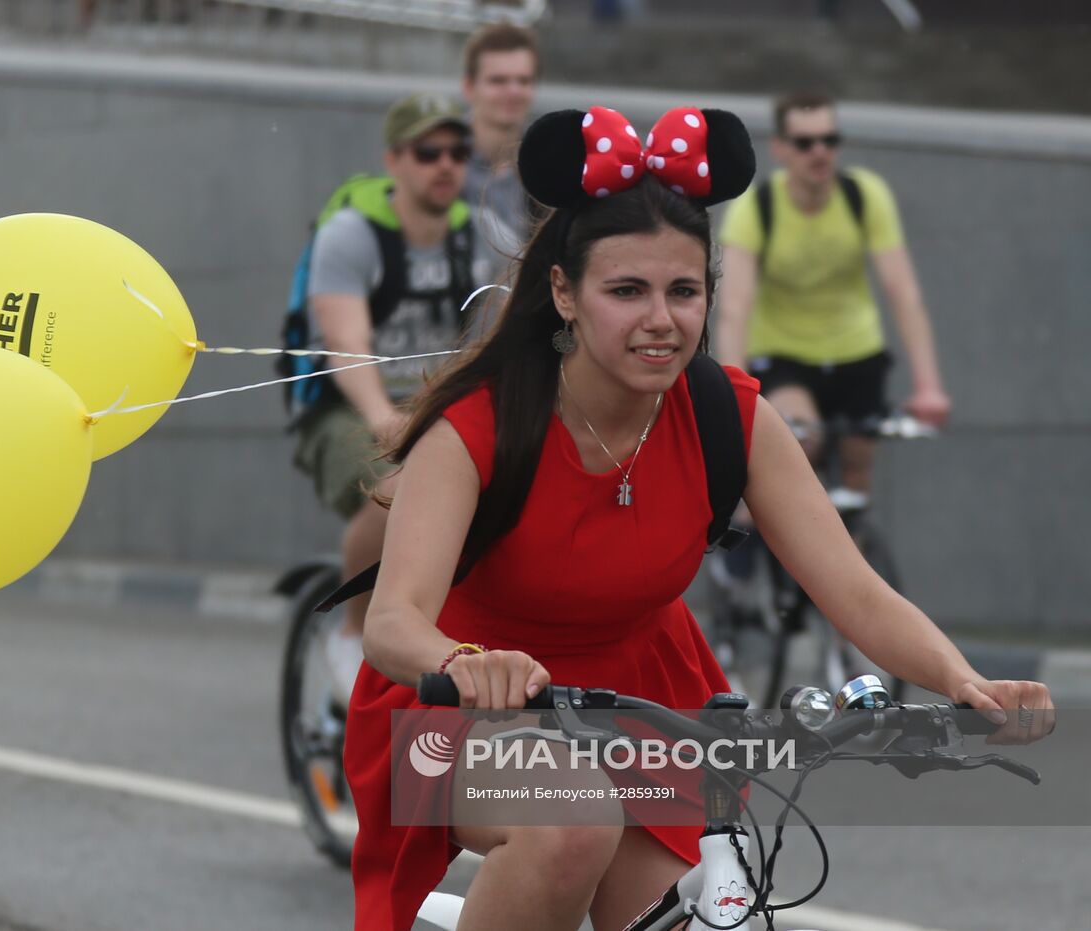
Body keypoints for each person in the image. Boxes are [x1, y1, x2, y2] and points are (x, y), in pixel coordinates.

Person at [341, 104, 1053, 931]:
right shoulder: (480, 426)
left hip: (646, 707)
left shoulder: (728, 416)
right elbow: (392, 623)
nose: (661, 319)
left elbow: (854, 591)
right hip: (464, 709)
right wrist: (468, 662)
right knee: (570, 822)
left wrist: (965, 681)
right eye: (627, 290)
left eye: (685, 290)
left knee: (704, 916)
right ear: (564, 293)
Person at [293, 92, 505, 699]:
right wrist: (385, 417)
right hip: (347, 408)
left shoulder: (477, 236)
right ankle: (352, 632)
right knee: (396, 487)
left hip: (443, 404)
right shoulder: (351, 236)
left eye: (458, 152)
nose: (446, 165)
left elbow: (499, 332)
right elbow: (346, 343)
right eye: (428, 151)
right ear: (394, 160)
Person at [715, 90, 950, 495]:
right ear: (781, 148)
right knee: (800, 446)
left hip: (856, 354)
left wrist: (929, 386)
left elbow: (903, 292)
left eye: (830, 140)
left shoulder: (865, 196)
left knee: (856, 485)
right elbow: (735, 307)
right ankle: (749, 538)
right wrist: (732, 394)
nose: (820, 152)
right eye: (805, 143)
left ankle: (849, 553)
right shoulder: (756, 209)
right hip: (784, 355)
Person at [460, 23, 539, 249]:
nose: (513, 91)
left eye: (523, 81)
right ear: (469, 86)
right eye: (498, 80)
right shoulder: (435, 156)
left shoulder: (548, 162)